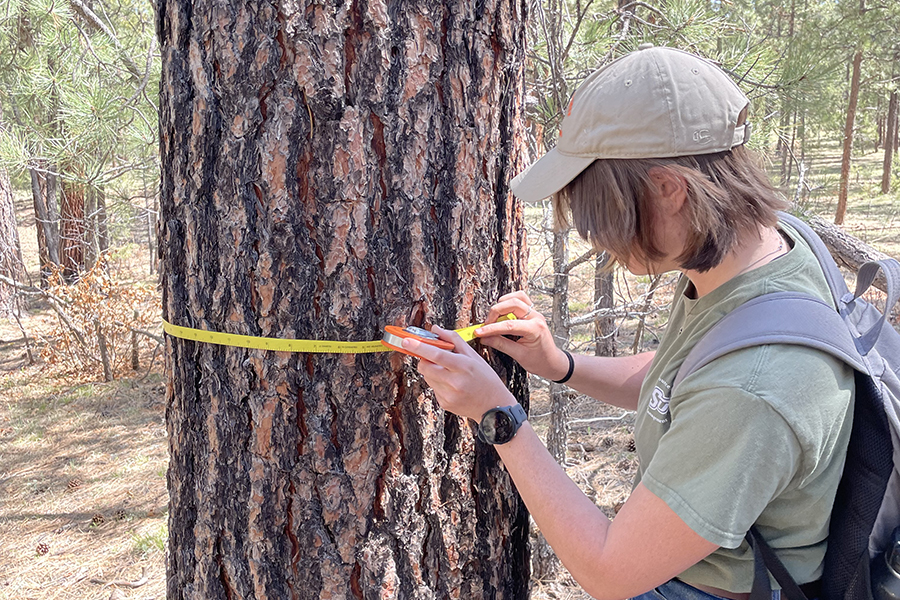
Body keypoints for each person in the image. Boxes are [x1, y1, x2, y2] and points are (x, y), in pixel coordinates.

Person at [400, 45, 855, 600]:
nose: (601, 245)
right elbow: (681, 384)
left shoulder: (758, 383)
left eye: (604, 218)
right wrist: (559, 364)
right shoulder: (763, 251)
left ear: (668, 189)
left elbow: (610, 572)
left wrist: (500, 417)